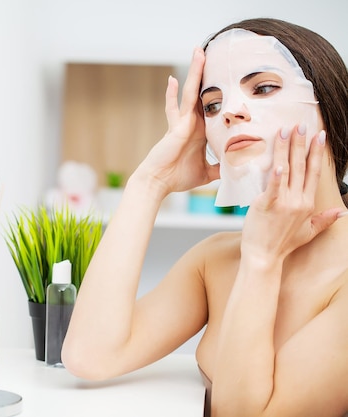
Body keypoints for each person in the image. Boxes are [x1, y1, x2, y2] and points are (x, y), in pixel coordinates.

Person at [61, 18, 348, 417]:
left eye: (263, 87)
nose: (230, 111)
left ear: (330, 108)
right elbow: (89, 357)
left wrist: (263, 261)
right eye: (212, 104)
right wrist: (150, 182)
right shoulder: (215, 261)